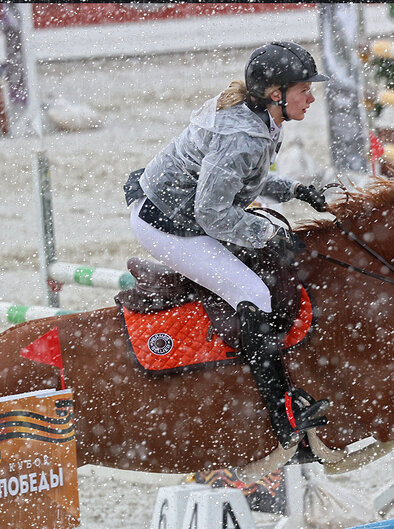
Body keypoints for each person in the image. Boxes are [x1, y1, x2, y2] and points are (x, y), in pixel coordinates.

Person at [125, 41, 334, 450]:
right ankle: (282, 415)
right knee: (252, 291)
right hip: (168, 223)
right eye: (303, 89)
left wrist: (297, 190)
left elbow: (246, 180)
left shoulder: (262, 118)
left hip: (189, 208)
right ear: (277, 94)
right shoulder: (244, 134)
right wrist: (270, 234)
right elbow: (213, 215)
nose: (310, 97)